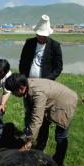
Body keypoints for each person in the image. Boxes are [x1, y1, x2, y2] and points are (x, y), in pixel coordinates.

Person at [5, 73, 78, 166]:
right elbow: (31, 115)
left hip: (66, 102)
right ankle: (39, 152)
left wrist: (28, 143)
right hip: (52, 99)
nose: (13, 95)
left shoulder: (37, 93)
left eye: (13, 92)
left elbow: (37, 119)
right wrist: (28, 135)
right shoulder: (27, 86)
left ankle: (58, 164)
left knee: (61, 136)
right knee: (43, 127)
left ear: (21, 88)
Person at [19, 14, 63, 151]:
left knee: (43, 115)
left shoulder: (55, 46)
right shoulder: (29, 43)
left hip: (45, 87)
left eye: (44, 36)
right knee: (29, 112)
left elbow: (58, 67)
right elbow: (22, 62)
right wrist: (23, 79)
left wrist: (46, 81)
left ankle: (41, 144)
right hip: (28, 85)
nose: (41, 38)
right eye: (39, 35)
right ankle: (28, 137)